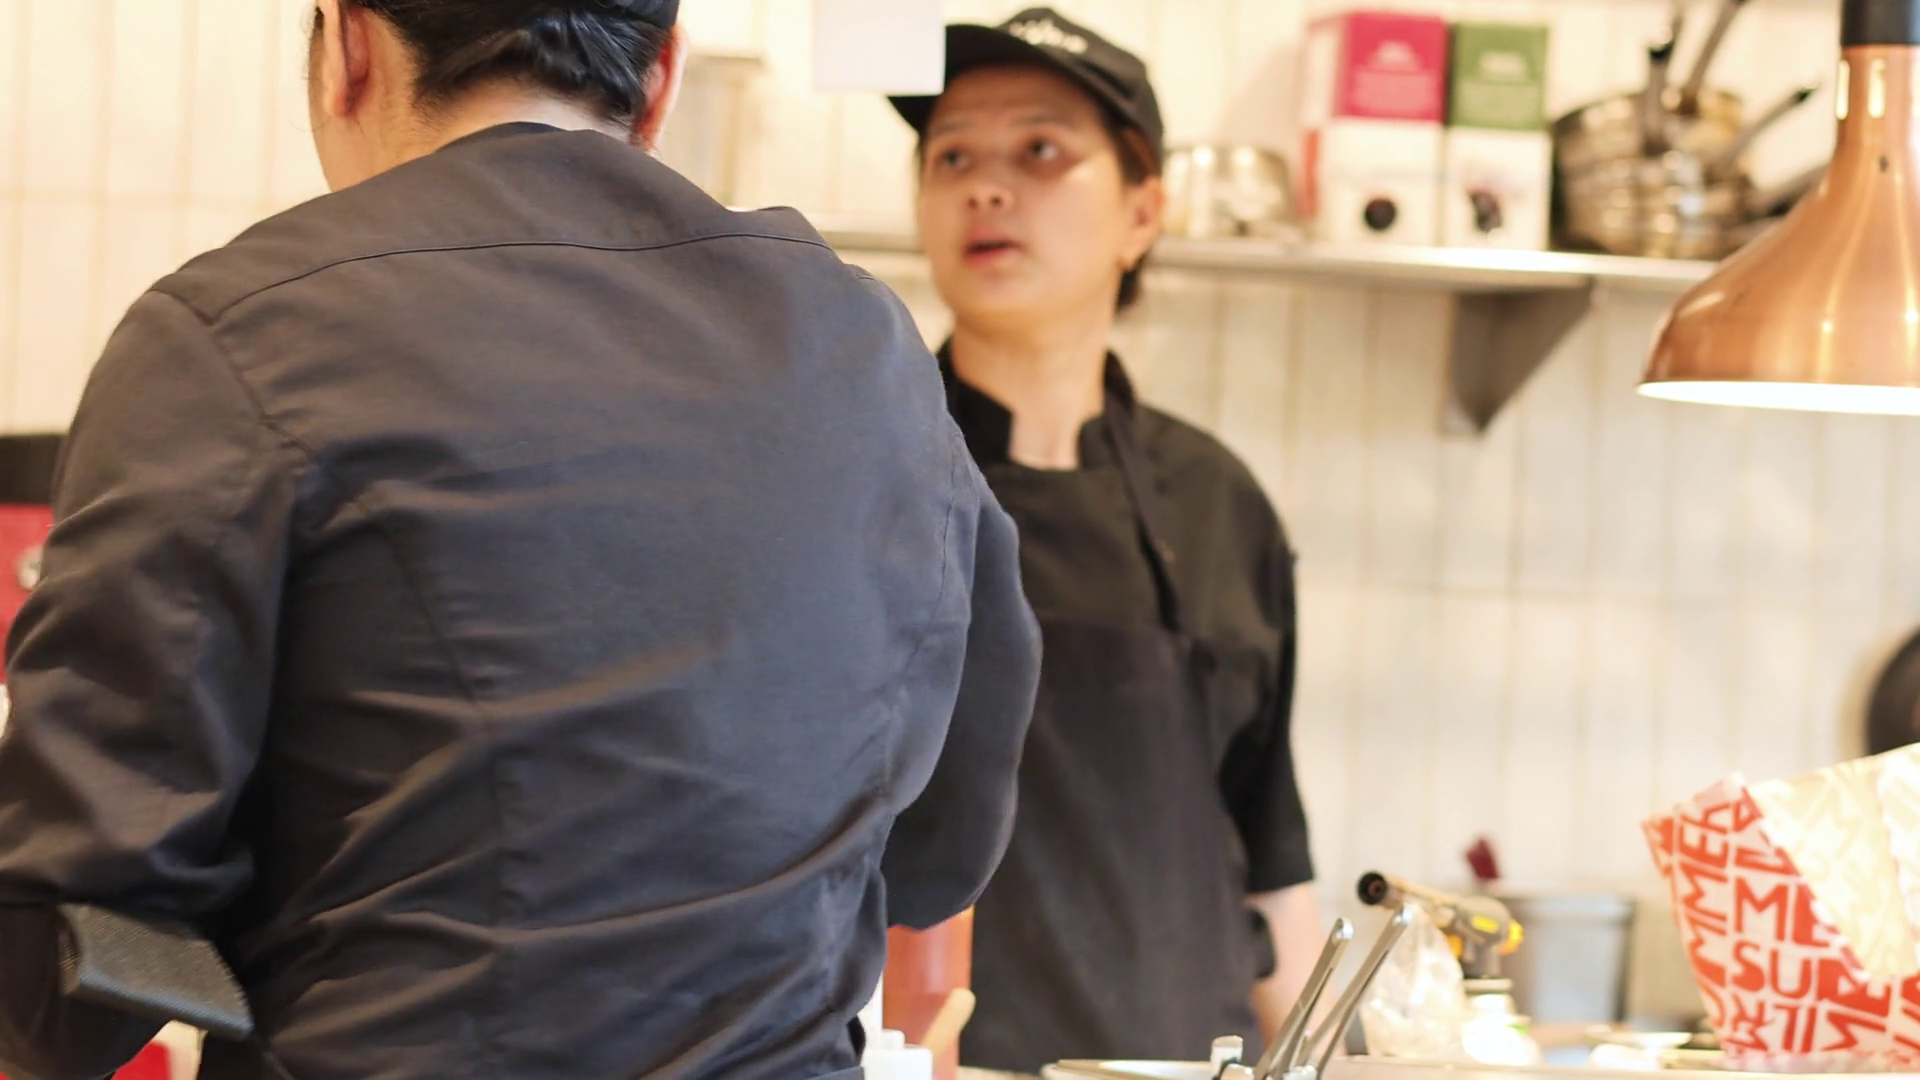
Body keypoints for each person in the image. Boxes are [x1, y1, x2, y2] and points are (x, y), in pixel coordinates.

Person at [0, 2, 1042, 1079]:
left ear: (347, 47)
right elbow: (941, 853)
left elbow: (68, 963)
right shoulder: (865, 342)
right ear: (661, 77)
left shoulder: (236, 335)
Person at [887, 8, 1325, 1073]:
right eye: (953, 157)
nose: (987, 188)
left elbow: (1273, 864)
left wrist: (1328, 1058)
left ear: (1142, 211)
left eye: (1041, 150)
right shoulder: (861, 473)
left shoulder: (1220, 505)